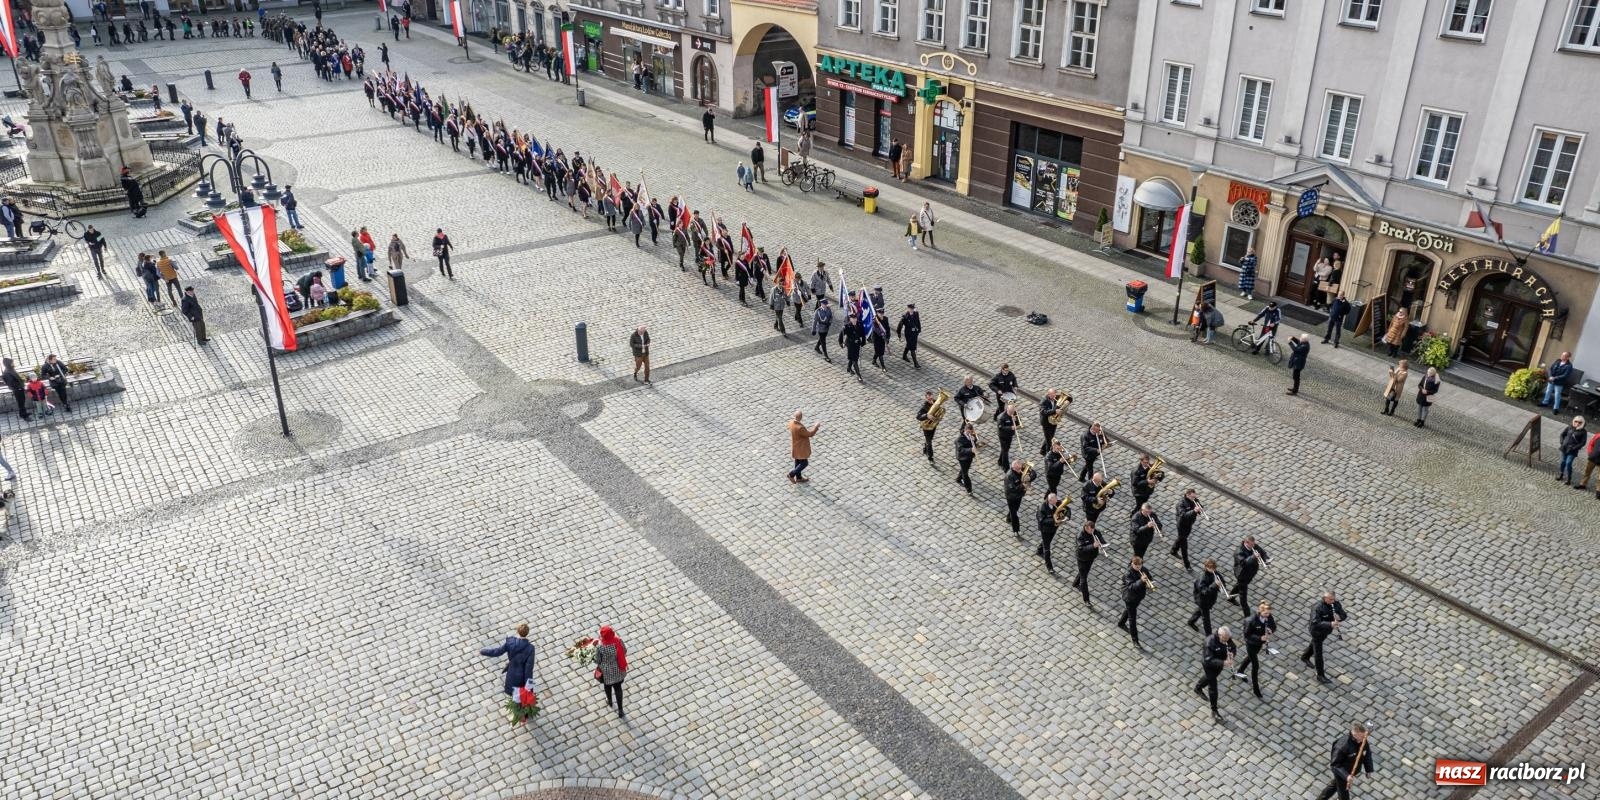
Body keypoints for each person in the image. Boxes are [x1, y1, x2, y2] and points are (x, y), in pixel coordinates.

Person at [1315, 722, 1375, 800]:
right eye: (1361, 736)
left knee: (1333, 786)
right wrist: (1346, 776)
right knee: (1343, 794)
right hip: (1341, 773)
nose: (1364, 738)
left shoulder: (1362, 739)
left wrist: (1368, 769)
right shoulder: (1342, 745)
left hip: (1351, 771)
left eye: (1364, 736)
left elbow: (1366, 754)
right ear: (1355, 734)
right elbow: (1335, 765)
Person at [1301, 591, 1348, 684]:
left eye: (1333, 599)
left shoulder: (1335, 604)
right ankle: (1320, 675)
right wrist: (1330, 623)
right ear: (1325, 598)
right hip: (1316, 631)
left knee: (1314, 644)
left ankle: (1305, 657)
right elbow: (1315, 622)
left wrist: (1339, 617)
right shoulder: (1317, 607)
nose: (1333, 601)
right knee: (1318, 653)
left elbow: (1344, 615)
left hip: (1326, 631)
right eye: (1330, 599)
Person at [1234, 601, 1277, 699]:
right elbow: (1247, 635)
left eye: (1269, 613)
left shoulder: (1268, 617)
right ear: (1260, 611)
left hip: (1259, 645)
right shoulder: (1251, 621)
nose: (1268, 615)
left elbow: (1273, 626)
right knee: (1255, 666)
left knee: (1249, 658)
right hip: (1251, 645)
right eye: (1266, 613)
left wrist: (1271, 630)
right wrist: (1259, 638)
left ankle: (1240, 670)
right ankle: (1256, 689)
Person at [479, 623, 536, 696]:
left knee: (513, 694)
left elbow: (497, 652)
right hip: (521, 678)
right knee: (519, 696)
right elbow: (529, 669)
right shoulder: (530, 648)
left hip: (511, 673)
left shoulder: (510, 642)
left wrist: (483, 651)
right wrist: (530, 690)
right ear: (527, 633)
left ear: (517, 631)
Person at [1193, 627, 1235, 724]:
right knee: (1213, 686)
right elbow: (1208, 659)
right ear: (1220, 635)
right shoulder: (1210, 642)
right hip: (1209, 665)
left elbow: (1232, 646)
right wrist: (1223, 663)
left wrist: (1232, 654)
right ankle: (1214, 710)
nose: (1226, 641)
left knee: (1209, 677)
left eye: (1227, 639)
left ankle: (1198, 687)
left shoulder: (1226, 637)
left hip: (1219, 665)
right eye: (1224, 639)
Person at [1116, 556, 1152, 647]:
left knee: (1129, 610)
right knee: (1133, 619)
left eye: (1140, 566)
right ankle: (1135, 640)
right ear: (1132, 564)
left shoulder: (1144, 569)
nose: (1138, 568)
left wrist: (1149, 583)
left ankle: (1121, 623)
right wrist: (1141, 581)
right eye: (1136, 566)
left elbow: (1150, 578)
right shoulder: (1128, 573)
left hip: (1138, 596)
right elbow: (1131, 587)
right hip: (1130, 597)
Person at [1228, 535, 1268, 613]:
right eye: (1252, 545)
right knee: (1243, 596)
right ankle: (1247, 614)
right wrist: (1253, 557)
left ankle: (1230, 598)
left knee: (1239, 585)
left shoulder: (1253, 545)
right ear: (1246, 543)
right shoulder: (1239, 551)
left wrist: (1266, 559)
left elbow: (1262, 551)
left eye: (1254, 544)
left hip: (1250, 572)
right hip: (1242, 574)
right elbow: (1243, 563)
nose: (1254, 546)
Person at [594, 626, 627, 718]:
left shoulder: (600, 647)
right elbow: (624, 651)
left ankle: (609, 701)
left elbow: (598, 660)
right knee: (618, 688)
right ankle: (620, 710)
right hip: (618, 669)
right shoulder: (618, 641)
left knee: (607, 686)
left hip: (606, 672)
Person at [1187, 558, 1224, 635]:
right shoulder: (1203, 578)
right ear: (1206, 567)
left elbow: (1222, 581)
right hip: (1203, 600)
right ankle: (1209, 636)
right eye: (1211, 568)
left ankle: (1191, 621)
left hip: (1210, 599)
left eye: (1214, 568)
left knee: (1199, 611)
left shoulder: (1216, 573)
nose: (1213, 570)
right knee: (1206, 619)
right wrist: (1214, 585)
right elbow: (1204, 592)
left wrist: (1221, 584)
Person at [1073, 520, 1104, 606]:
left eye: (1093, 530)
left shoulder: (1095, 531)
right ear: (1086, 528)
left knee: (1084, 572)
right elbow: (1082, 549)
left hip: (1091, 557)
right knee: (1084, 578)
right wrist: (1093, 546)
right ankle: (1086, 600)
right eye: (1091, 530)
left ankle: (1075, 583)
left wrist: (1102, 544)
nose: (1092, 532)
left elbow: (1100, 537)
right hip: (1082, 558)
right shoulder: (1080, 536)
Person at [786, 411, 819, 484]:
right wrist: (816, 427)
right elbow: (810, 434)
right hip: (801, 448)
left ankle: (799, 478)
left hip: (795, 446)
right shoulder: (800, 428)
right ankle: (791, 474)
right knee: (804, 463)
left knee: (798, 462)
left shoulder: (791, 423)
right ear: (801, 417)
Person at [1171, 488, 1199, 570]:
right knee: (1184, 545)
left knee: (1181, 538)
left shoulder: (1195, 500)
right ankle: (1187, 564)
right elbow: (1183, 515)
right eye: (1192, 497)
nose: (1194, 498)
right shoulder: (1181, 504)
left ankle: (1173, 550)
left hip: (1189, 524)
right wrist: (1194, 511)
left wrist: (1200, 509)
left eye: (1195, 497)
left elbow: (1199, 505)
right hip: (1182, 525)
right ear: (1187, 495)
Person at [1558, 417, 1587, 485]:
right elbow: (1562, 434)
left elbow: (1583, 442)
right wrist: (1562, 442)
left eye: (1580, 422)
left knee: (1568, 463)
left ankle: (1569, 478)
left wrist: (1574, 447)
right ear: (1573, 420)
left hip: (1572, 450)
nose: (1577, 423)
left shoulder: (1583, 431)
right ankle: (1561, 473)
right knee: (1562, 462)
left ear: (1582, 423)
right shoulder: (1569, 427)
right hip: (1564, 448)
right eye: (1576, 421)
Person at [1572, 428, 1600, 498]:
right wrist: (1590, 453)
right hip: (1593, 457)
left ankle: (1598, 491)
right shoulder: (1597, 435)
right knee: (1587, 472)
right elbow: (1591, 444)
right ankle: (1582, 484)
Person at [1003, 459, 1028, 536]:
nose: (1020, 470)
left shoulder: (1021, 469)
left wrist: (1029, 478)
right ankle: (1016, 530)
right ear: (1013, 468)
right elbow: (1012, 489)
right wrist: (1022, 486)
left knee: (1015, 509)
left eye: (1020, 468)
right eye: (1018, 469)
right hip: (1011, 497)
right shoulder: (1009, 476)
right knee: (1014, 514)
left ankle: (1008, 518)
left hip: (1019, 495)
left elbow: (1033, 474)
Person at [915, 390, 939, 463]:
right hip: (926, 426)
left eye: (931, 398)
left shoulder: (936, 403)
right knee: (929, 442)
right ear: (926, 398)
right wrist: (927, 415)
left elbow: (940, 411)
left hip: (933, 425)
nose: (931, 400)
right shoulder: (924, 406)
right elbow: (918, 416)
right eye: (929, 399)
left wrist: (938, 417)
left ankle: (925, 449)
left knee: (930, 439)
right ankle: (930, 458)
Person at [839, 313, 864, 382]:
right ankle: (859, 375)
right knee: (854, 360)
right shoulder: (847, 326)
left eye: (855, 318)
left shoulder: (859, 324)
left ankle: (849, 368)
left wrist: (863, 342)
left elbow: (863, 333)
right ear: (850, 319)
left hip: (857, 344)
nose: (854, 320)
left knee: (855, 357)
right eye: (852, 318)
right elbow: (841, 334)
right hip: (850, 345)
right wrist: (841, 343)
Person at [1036, 389, 1062, 456]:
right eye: (1052, 395)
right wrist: (1055, 411)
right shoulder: (1043, 402)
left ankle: (1042, 450)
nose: (1054, 396)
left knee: (1050, 437)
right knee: (1049, 441)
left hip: (1054, 421)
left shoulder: (1056, 398)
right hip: (1046, 423)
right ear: (1048, 394)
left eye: (1055, 395)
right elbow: (1043, 412)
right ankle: (1048, 455)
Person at [955, 421, 977, 494]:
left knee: (965, 469)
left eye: (971, 432)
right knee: (965, 473)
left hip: (969, 456)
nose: (970, 433)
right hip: (962, 458)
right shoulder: (959, 439)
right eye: (968, 432)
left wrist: (974, 439)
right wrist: (971, 449)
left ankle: (958, 479)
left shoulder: (972, 435)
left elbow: (974, 443)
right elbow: (961, 450)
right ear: (965, 430)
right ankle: (969, 489)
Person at [996, 403, 1019, 471]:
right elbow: (1001, 427)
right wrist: (1010, 428)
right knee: (1005, 451)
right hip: (1003, 436)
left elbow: (1017, 423)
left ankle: (1000, 461)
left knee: (1005, 449)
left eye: (1013, 411)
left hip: (1010, 435)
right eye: (1011, 412)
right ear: (1007, 410)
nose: (1012, 413)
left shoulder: (1014, 414)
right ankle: (1005, 467)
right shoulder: (1001, 417)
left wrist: (1015, 420)